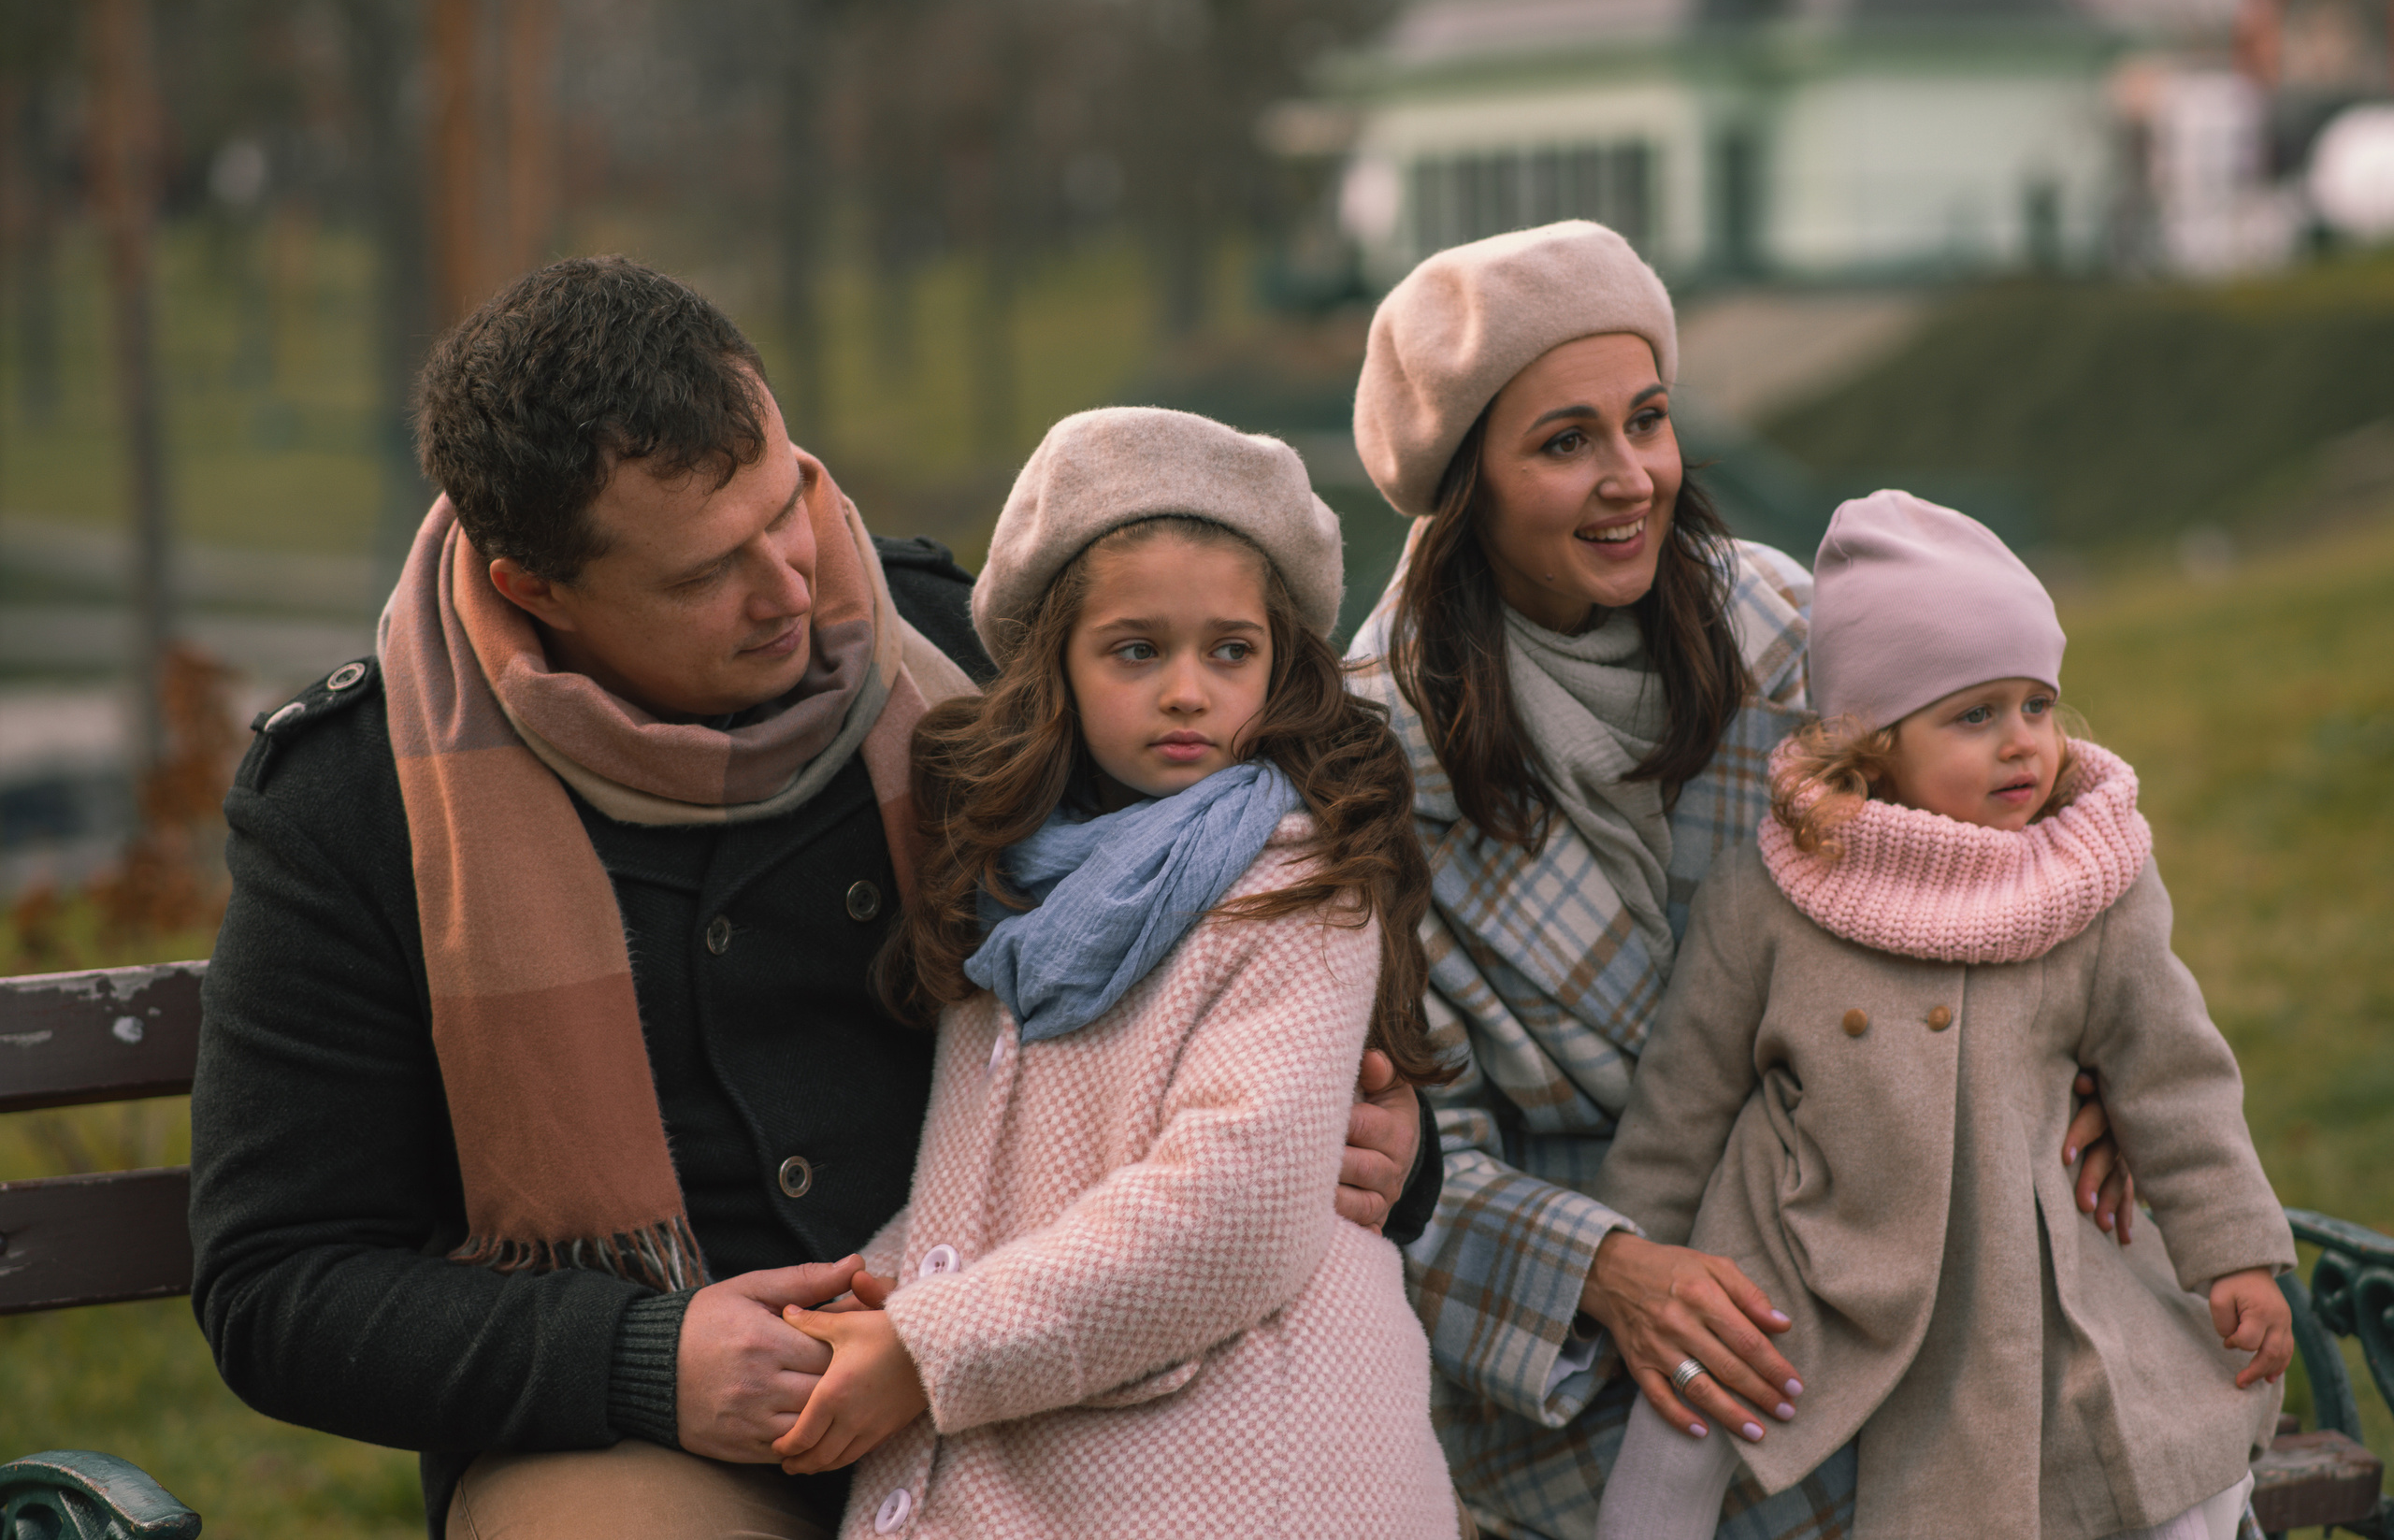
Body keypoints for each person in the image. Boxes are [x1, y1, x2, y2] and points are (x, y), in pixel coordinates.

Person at [187, 259, 1437, 1540]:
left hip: (1032, 1367)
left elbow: (1245, 953)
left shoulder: (969, 659)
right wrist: (640, 1356)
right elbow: (277, 1281)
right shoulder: (357, 803)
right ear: (536, 589)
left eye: (788, 506)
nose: (793, 588)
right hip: (662, 1437)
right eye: (701, 576)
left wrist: (1391, 1145)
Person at [1344, 222, 2146, 1538]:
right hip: (1589, 1361)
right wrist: (1604, 1270)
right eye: (1564, 442)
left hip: (1890, 1246)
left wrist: (2094, 1068)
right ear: (1464, 485)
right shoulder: (1372, 763)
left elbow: (2038, 830)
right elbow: (1396, 1158)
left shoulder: (1790, 630)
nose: (1630, 479)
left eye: (1648, 421)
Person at [766, 406, 1464, 1537]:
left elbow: (1229, 1210)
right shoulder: (1014, 898)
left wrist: (922, 1347)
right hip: (1084, 1443)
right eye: (1137, 649)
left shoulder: (1302, 881)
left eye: (1229, 650)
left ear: (1279, 664)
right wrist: (868, 1299)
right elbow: (993, 1190)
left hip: (1257, 1476)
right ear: (1059, 667)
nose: (1187, 690)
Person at [1592, 491, 2292, 1540]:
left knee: (2152, 1423)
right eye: (1973, 714)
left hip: (2026, 1256)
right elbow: (1682, 1097)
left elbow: (2173, 1076)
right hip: (1802, 1253)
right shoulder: (1774, 892)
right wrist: (1638, 1258)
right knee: (1685, 1418)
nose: (2021, 745)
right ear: (1872, 747)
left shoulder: (2086, 881)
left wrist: (2233, 1250)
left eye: (2036, 705)